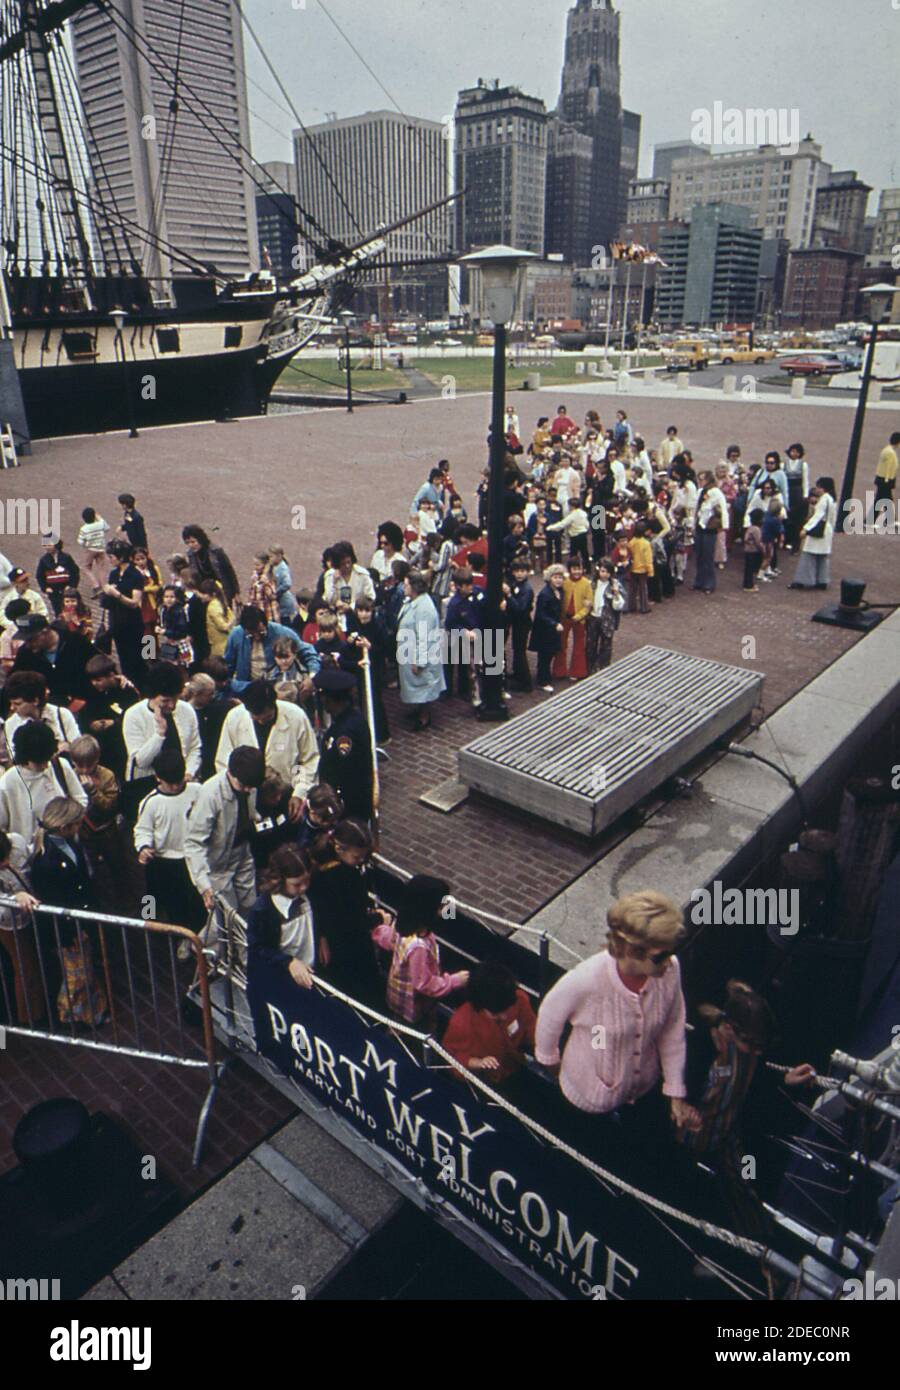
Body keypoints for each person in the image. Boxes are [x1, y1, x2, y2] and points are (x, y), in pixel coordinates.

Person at [535, 890, 698, 1147]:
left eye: (671, 952)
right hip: (588, 1095)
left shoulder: (670, 971)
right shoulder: (587, 979)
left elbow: (672, 1030)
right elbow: (548, 1015)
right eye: (661, 956)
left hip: (644, 1086)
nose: (669, 961)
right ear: (633, 950)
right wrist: (553, 1065)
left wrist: (675, 1091)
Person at [681, 980, 815, 1238]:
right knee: (687, 1194)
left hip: (725, 1137)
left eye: (760, 1048)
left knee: (744, 1187)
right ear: (729, 1030)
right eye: (752, 1046)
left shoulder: (750, 1055)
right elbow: (681, 1087)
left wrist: (785, 1080)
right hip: (688, 1139)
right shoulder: (699, 1047)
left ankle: (760, 1247)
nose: (756, 1053)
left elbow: (758, 1079)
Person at [29, 797, 108, 1026]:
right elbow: (54, 903)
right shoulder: (45, 862)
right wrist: (68, 935)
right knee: (76, 976)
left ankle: (90, 1012)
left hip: (80, 921)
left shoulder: (69, 844)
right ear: (64, 827)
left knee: (84, 970)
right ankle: (73, 1016)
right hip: (66, 930)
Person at [371, 873, 468, 1027]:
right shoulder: (419, 947)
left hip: (398, 992)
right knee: (412, 1027)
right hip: (412, 1004)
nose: (446, 908)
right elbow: (423, 983)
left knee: (399, 1021)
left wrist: (379, 930)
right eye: (442, 905)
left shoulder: (403, 923)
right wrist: (455, 981)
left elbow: (391, 941)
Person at [307, 819, 386, 1004]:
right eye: (357, 858)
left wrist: (322, 936)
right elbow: (352, 921)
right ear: (339, 848)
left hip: (332, 936)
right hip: (347, 943)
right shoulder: (345, 877)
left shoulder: (322, 867)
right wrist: (378, 918)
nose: (360, 862)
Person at [215, 679, 318, 819]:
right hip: (246, 797)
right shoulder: (234, 718)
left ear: (274, 704)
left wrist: (299, 793)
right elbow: (223, 761)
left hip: (286, 796)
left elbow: (308, 760)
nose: (262, 722)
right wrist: (237, 792)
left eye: (267, 717)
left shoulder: (296, 716)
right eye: (256, 719)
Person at [184, 745, 265, 914]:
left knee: (251, 910)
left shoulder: (249, 781)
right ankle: (194, 942)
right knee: (227, 920)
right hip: (217, 866)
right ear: (229, 772)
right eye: (243, 785)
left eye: (251, 786)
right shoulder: (210, 794)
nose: (248, 790)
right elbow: (193, 843)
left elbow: (251, 811)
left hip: (243, 854)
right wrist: (204, 885)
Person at [134, 748, 205, 931]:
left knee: (196, 901)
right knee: (163, 900)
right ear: (158, 777)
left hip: (192, 857)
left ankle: (197, 936)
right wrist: (143, 847)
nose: (175, 787)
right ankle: (152, 924)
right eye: (170, 783)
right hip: (164, 861)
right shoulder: (150, 802)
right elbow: (142, 830)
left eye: (179, 781)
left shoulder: (198, 791)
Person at [122, 661, 201, 818]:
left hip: (183, 782)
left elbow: (195, 747)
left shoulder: (187, 711)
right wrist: (159, 734)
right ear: (152, 696)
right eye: (165, 701)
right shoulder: (133, 715)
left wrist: (189, 773)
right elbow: (141, 761)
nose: (171, 706)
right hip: (146, 785)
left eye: (175, 699)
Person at [442, 961, 536, 1094]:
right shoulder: (462, 1023)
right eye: (496, 1013)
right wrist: (476, 1062)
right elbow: (450, 1060)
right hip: (483, 1085)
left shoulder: (520, 1000)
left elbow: (531, 1029)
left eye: (506, 1009)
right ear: (480, 1006)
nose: (504, 1016)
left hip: (516, 1068)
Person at [0, 721, 87, 852]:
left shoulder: (59, 766)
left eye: (48, 759)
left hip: (68, 846)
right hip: (31, 859)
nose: (46, 766)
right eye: (40, 762)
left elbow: (81, 799)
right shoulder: (8, 783)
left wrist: (68, 819)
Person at [246, 845, 319, 989]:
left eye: (307, 881)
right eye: (297, 884)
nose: (304, 888)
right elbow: (258, 948)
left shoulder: (307, 894)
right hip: (283, 977)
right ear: (279, 879)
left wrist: (321, 937)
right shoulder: (263, 910)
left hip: (310, 968)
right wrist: (288, 962)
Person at [315, 668, 374, 822]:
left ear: (329, 699)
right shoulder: (347, 719)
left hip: (348, 803)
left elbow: (345, 771)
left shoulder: (345, 733)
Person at [396, 570, 446, 730]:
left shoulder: (424, 608)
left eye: (406, 585)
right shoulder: (414, 601)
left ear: (414, 587)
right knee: (417, 687)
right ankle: (418, 710)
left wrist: (419, 661)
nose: (404, 588)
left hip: (420, 655)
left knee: (424, 686)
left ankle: (424, 717)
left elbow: (424, 638)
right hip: (408, 651)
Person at [224, 606, 316, 692]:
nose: (257, 637)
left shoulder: (280, 632)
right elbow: (227, 666)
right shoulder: (236, 635)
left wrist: (312, 677)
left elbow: (308, 652)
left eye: (261, 632)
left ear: (266, 623)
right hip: (248, 688)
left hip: (276, 686)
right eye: (251, 634)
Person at [101, 541, 146, 685]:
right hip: (117, 622)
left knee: (135, 657)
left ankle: (140, 684)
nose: (110, 560)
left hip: (132, 623)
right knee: (123, 657)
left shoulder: (135, 575)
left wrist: (116, 594)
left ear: (121, 557)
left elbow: (134, 603)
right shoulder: (114, 574)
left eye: (112, 557)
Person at [3, 670, 80, 752]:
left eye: (17, 704)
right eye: (11, 703)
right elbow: (15, 757)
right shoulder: (11, 724)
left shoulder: (62, 715)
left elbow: (79, 748)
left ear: (35, 701)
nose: (12, 708)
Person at [790, 477, 838, 591]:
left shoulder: (824, 500)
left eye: (819, 487)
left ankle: (802, 581)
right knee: (822, 558)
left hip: (818, 530)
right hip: (827, 530)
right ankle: (821, 581)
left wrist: (806, 529)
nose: (817, 489)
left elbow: (817, 516)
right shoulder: (831, 499)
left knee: (808, 555)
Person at [553, 556, 592, 680]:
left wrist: (579, 616)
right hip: (564, 618)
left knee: (579, 645)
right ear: (569, 570)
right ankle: (559, 671)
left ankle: (577, 671)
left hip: (579, 619)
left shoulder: (586, 584)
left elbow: (589, 603)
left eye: (579, 569)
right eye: (574, 569)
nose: (577, 572)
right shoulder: (564, 582)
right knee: (561, 644)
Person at [182, 524, 240, 607]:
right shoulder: (191, 555)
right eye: (187, 543)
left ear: (200, 539)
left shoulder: (216, 551)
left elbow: (229, 571)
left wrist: (236, 592)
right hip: (205, 592)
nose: (191, 545)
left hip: (221, 590)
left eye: (193, 542)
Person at [529, 563, 565, 693]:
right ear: (550, 578)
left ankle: (545, 676)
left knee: (550, 654)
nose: (558, 580)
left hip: (552, 630)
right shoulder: (545, 594)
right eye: (555, 577)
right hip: (544, 630)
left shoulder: (560, 591)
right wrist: (554, 624)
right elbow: (540, 614)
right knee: (544, 655)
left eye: (560, 577)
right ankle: (542, 680)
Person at [692, 470, 729, 594]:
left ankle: (709, 583)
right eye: (699, 479)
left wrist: (724, 526)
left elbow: (723, 509)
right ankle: (699, 581)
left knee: (708, 555)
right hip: (700, 526)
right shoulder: (700, 492)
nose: (700, 482)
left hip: (710, 527)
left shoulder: (716, 492)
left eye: (702, 479)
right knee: (700, 555)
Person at [585, 558, 625, 673]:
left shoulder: (615, 585)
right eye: (602, 571)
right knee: (590, 644)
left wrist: (616, 593)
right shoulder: (591, 583)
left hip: (607, 620)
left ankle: (604, 669)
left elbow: (619, 606)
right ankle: (590, 668)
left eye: (607, 572)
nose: (605, 574)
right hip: (593, 618)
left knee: (606, 646)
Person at [322, 541, 376, 621]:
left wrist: (351, 607)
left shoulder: (363, 575)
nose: (347, 566)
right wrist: (333, 582)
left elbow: (371, 597)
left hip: (358, 618)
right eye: (343, 564)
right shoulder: (330, 576)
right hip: (337, 618)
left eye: (349, 562)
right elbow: (328, 600)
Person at [504, 558, 534, 693]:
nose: (520, 574)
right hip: (517, 622)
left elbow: (521, 608)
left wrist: (509, 596)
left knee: (520, 651)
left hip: (522, 623)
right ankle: (518, 674)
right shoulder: (517, 584)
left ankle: (525, 682)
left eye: (522, 571)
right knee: (516, 649)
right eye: (517, 571)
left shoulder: (526, 588)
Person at [35, 538, 79, 616]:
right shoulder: (44, 560)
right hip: (54, 592)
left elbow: (74, 572)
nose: (47, 547)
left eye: (49, 545)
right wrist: (45, 588)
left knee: (72, 610)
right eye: (45, 545)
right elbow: (40, 576)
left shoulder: (66, 557)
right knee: (58, 611)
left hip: (66, 590)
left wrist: (71, 586)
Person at [783, 443, 810, 550]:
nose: (794, 454)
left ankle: (795, 542)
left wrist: (805, 495)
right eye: (792, 451)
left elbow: (805, 480)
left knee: (796, 518)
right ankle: (786, 539)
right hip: (788, 491)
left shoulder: (803, 465)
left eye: (797, 452)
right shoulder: (784, 464)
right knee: (787, 516)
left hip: (797, 491)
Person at [77, 508, 110, 595]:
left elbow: (80, 541)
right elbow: (107, 528)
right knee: (101, 568)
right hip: (101, 548)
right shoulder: (100, 524)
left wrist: (85, 545)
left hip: (90, 549)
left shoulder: (84, 529)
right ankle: (104, 586)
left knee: (86, 567)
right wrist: (100, 518)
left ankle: (96, 585)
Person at [200, 578, 235, 658]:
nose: (201, 596)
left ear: (213, 594)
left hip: (219, 646)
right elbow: (231, 616)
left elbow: (223, 626)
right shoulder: (221, 602)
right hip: (225, 642)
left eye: (204, 593)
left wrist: (229, 624)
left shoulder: (212, 607)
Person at [872, 430, 899, 520]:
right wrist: (887, 480)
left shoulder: (886, 450)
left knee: (883, 500)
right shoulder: (891, 453)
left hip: (881, 479)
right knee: (883, 500)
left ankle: (889, 519)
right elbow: (889, 467)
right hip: (886, 480)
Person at [627, 521, 653, 614]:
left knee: (632, 589)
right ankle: (644, 607)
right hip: (643, 569)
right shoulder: (646, 543)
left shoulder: (631, 542)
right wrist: (650, 571)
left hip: (633, 568)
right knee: (643, 589)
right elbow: (648, 559)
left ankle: (631, 606)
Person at [268, 545, 299, 625]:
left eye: (271, 556)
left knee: (285, 623)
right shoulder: (275, 566)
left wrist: (276, 593)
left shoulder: (283, 568)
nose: (270, 559)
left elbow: (287, 584)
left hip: (284, 603)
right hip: (280, 603)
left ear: (279, 556)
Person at [742, 509, 765, 592]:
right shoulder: (757, 529)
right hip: (753, 551)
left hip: (747, 550)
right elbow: (758, 542)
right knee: (751, 569)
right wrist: (763, 549)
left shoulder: (750, 528)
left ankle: (747, 583)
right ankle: (748, 585)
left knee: (748, 568)